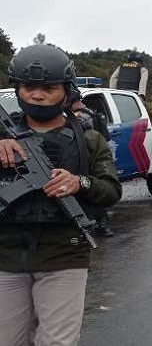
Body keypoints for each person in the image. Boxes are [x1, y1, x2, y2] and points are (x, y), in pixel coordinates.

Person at [0, 44, 122, 346]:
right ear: (17, 88)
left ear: (66, 90)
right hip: (5, 255)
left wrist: (80, 183)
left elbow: (111, 190)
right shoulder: (3, 136)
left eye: (48, 88)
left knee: (57, 342)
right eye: (29, 87)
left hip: (64, 254)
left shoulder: (89, 140)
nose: (37, 95)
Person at [70, 98, 113, 237]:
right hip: (94, 157)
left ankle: (101, 224)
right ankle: (101, 223)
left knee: (90, 190)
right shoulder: (90, 113)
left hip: (87, 157)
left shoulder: (80, 116)